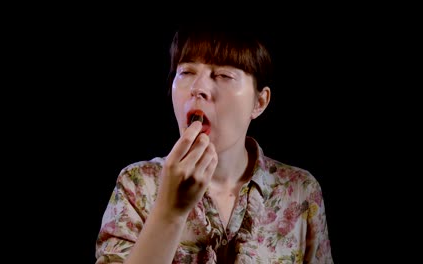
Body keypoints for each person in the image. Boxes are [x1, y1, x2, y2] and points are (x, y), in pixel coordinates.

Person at [95, 24, 334, 263]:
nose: (198, 88)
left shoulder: (300, 191)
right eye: (186, 72)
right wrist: (169, 213)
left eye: (224, 75)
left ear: (259, 102)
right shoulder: (137, 185)